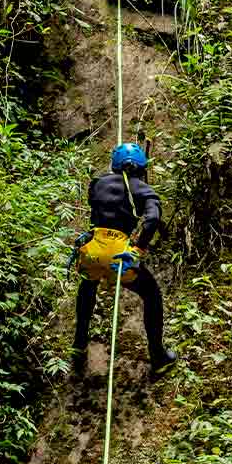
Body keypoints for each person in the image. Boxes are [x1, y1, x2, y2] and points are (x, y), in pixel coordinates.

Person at [71, 142, 177, 380]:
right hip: (119, 253)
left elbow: (95, 205)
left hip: (92, 248)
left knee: (88, 283)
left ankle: (78, 343)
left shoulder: (97, 183)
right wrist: (138, 249)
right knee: (151, 294)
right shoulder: (144, 191)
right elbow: (151, 220)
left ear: (115, 165)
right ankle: (158, 357)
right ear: (141, 167)